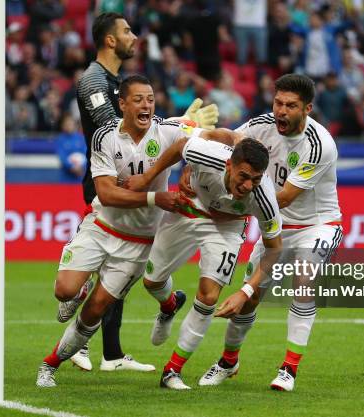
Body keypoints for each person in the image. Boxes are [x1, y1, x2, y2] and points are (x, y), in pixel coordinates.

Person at [61, 12, 219, 372]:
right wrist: (180, 123)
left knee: (122, 269)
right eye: (128, 31)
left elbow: (138, 130)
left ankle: (111, 353)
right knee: (114, 262)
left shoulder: (114, 79)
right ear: (111, 40)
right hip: (110, 180)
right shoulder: (93, 81)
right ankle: (84, 328)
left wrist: (177, 125)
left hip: (127, 176)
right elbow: (115, 130)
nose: (135, 37)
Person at [36, 75, 194, 387]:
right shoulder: (104, 138)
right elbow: (107, 194)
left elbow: (201, 142)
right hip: (101, 227)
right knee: (64, 292)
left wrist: (235, 140)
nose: (146, 104)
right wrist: (154, 197)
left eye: (150, 98)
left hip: (138, 243)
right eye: (138, 99)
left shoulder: (168, 130)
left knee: (95, 310)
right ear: (122, 104)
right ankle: (80, 289)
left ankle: (50, 364)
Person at [196, 74, 343, 392]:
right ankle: (228, 361)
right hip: (275, 228)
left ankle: (288, 369)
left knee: (303, 279)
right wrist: (201, 134)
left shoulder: (320, 145)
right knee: (249, 302)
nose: (281, 111)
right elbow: (231, 141)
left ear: (307, 108)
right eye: (278, 103)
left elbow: (286, 198)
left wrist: (232, 205)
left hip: (317, 225)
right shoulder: (262, 125)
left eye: (291, 106)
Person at [125, 137, 283, 390]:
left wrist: (246, 291)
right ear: (229, 164)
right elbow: (179, 146)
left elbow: (275, 250)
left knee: (209, 297)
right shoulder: (208, 154)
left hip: (226, 228)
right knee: (151, 281)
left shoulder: (264, 197)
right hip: (188, 207)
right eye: (243, 176)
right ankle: (169, 305)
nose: (247, 185)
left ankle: (172, 370)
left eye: (255, 179)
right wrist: (147, 179)